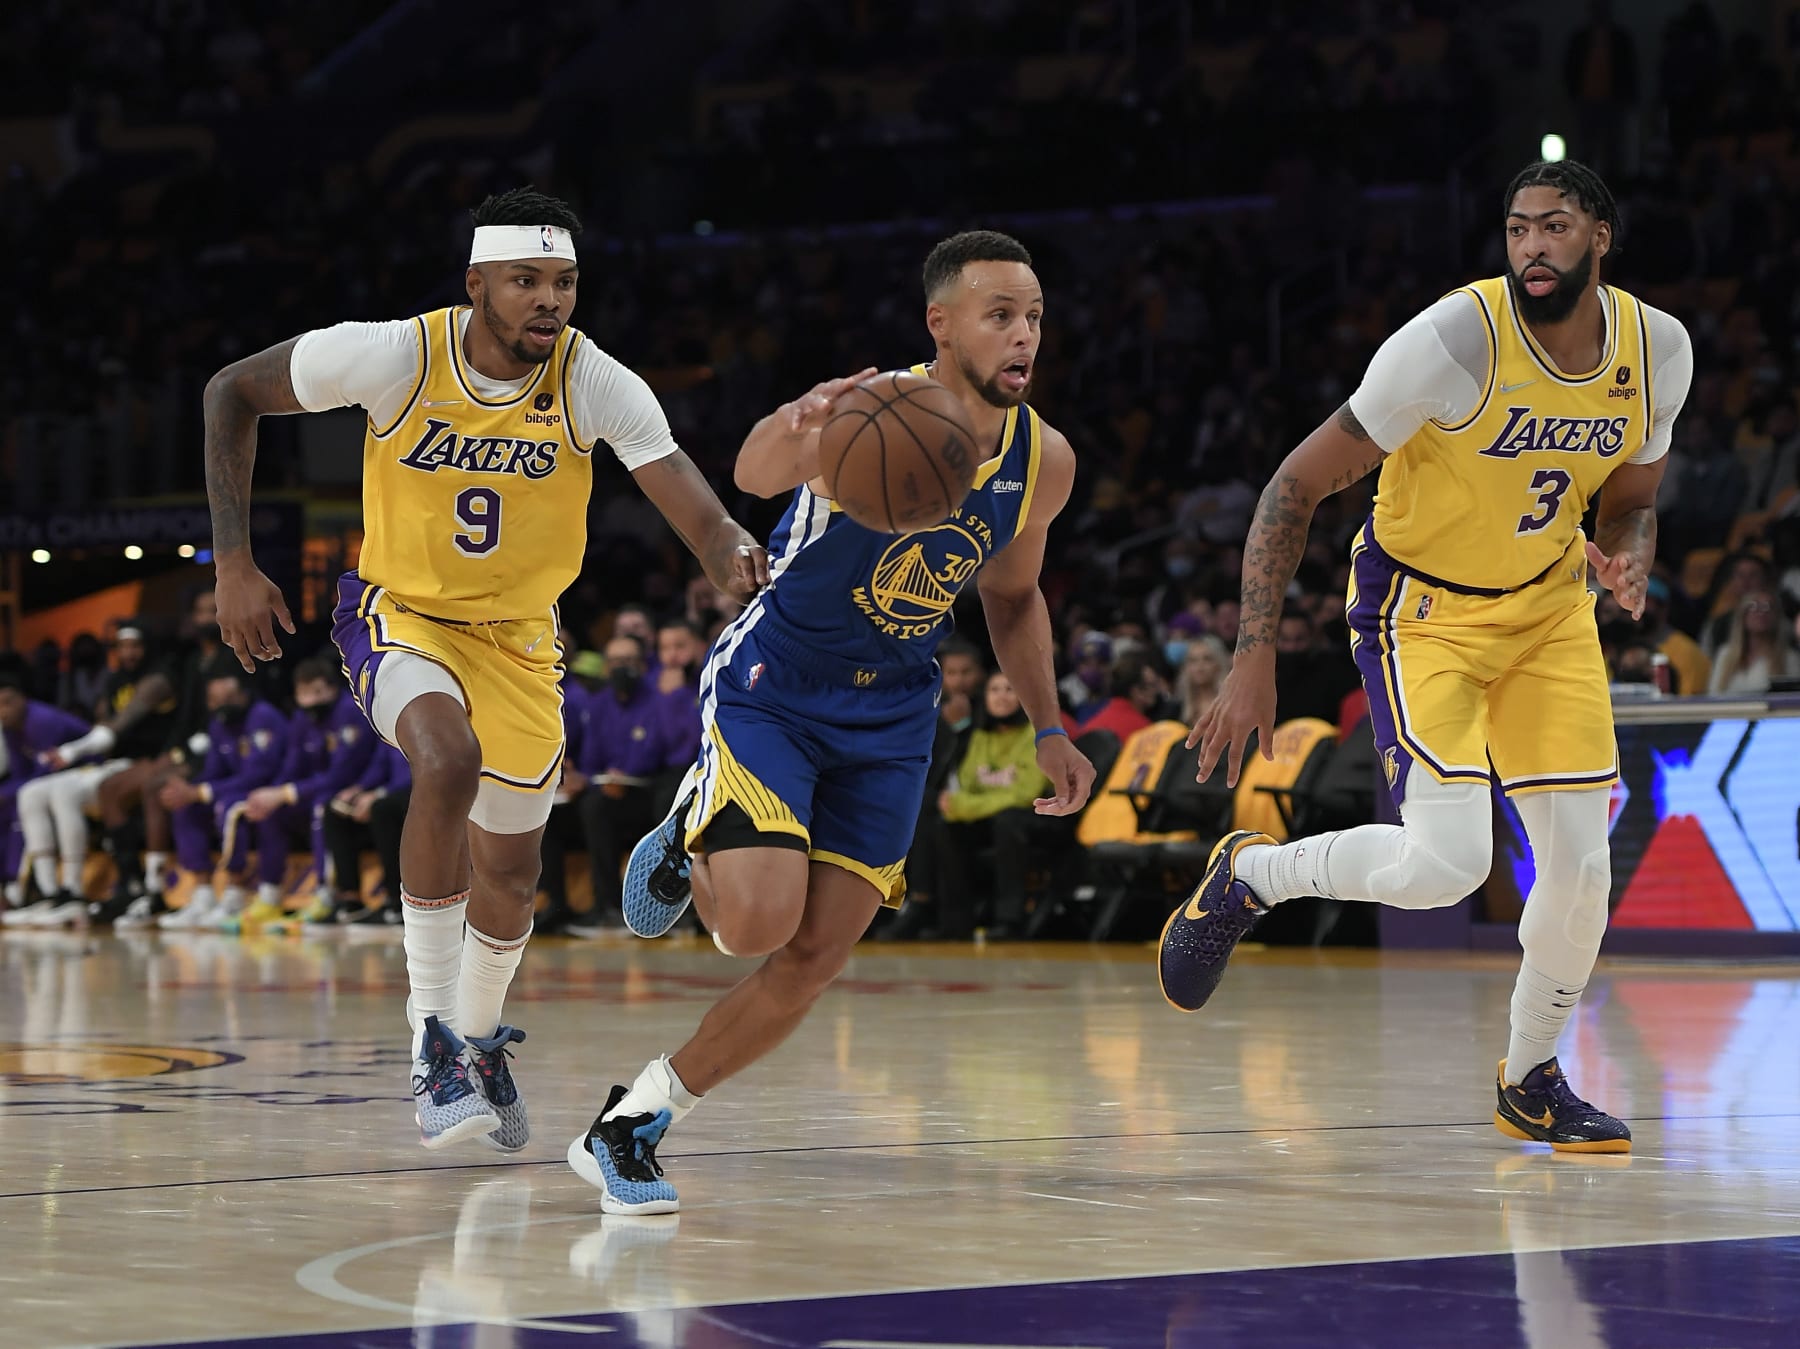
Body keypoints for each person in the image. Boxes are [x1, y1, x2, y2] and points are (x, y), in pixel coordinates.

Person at [201, 187, 768, 1151]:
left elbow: (699, 511)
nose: (549, 301)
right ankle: (431, 1034)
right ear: (477, 285)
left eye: (564, 282)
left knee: (511, 870)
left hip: (520, 639)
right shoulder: (395, 355)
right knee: (445, 757)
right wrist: (233, 562)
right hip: (400, 613)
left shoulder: (596, 380)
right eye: (526, 281)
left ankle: (476, 1041)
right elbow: (231, 392)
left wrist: (731, 555)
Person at [1160, 160, 1693, 1156]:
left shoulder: (1659, 349)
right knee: (1448, 864)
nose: (1533, 245)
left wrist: (1631, 556)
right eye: (1518, 228)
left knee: (1580, 873)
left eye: (1557, 226)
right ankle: (1253, 876)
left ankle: (1530, 1075)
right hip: (1422, 613)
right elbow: (1291, 486)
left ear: (1601, 238)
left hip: (1547, 613)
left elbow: (1630, 497)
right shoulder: (1453, 342)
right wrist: (1253, 653)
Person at [568, 230, 1096, 1213]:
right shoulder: (872, 407)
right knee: (754, 924)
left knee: (812, 959)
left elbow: (1015, 601)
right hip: (778, 678)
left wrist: (1051, 725)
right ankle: (693, 821)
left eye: (1033, 316)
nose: (1023, 335)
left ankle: (632, 1120)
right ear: (941, 324)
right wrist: (799, 417)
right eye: (1000, 315)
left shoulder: (1043, 461)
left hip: (895, 712)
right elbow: (754, 471)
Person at [10, 626, 180, 927]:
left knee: (65, 793)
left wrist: (71, 752)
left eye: (135, 646)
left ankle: (74, 889)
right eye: (122, 646)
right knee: (31, 793)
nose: (128, 653)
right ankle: (53, 892)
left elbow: (113, 730)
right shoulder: (115, 681)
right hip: (116, 763)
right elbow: (103, 726)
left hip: (150, 760)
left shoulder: (157, 678)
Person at [238, 656, 378, 926]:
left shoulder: (349, 711)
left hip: (353, 789)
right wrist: (274, 792)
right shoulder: (302, 718)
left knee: (321, 808)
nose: (311, 700)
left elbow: (342, 774)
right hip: (311, 790)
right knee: (271, 812)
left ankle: (325, 895)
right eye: (304, 693)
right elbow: (292, 765)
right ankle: (269, 895)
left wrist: (286, 793)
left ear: (332, 688)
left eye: (317, 692)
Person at [155, 671, 290, 929]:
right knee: (186, 806)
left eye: (228, 698)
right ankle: (202, 894)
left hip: (268, 788)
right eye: (215, 700)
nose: (222, 705)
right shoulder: (218, 724)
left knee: (228, 807)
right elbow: (214, 771)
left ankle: (234, 892)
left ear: (243, 695)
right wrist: (190, 790)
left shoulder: (262, 716)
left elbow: (259, 774)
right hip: (234, 789)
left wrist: (203, 791)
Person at [931, 671, 1051, 939]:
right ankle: (955, 921)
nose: (1001, 697)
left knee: (1007, 822)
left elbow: (1024, 794)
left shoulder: (1035, 735)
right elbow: (965, 782)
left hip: (1034, 818)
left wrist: (964, 806)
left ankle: (1009, 919)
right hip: (991, 816)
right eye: (994, 690)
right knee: (946, 827)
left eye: (1009, 690)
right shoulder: (980, 736)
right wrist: (963, 805)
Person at [0, 673, 90, 915]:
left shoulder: (42, 721)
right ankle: (46, 890)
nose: (3, 710)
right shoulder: (11, 728)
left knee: (27, 797)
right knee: (15, 800)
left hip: (90, 769)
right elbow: (22, 772)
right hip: (54, 779)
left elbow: (45, 771)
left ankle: (27, 889)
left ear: (23, 700)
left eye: (8, 702)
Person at [1707, 590, 1800, 693]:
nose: (1761, 613)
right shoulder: (1725, 654)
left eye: (1767, 607)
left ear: (1776, 616)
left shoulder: (1789, 658)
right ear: (1743, 614)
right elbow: (1713, 693)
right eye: (1753, 606)